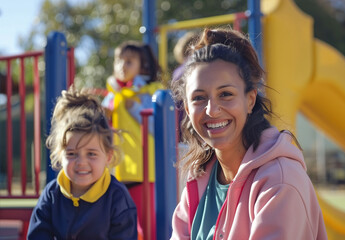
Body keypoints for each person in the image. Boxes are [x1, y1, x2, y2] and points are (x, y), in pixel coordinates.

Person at [170, 28, 327, 240]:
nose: (211, 110)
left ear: (250, 100)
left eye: (226, 94)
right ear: (187, 109)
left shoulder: (281, 180)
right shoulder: (199, 177)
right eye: (199, 98)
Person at [27, 87, 138, 240]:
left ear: (108, 156)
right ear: (60, 155)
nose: (81, 162)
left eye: (91, 154)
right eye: (72, 154)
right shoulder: (52, 194)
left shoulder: (117, 198)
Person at [102, 41, 162, 240]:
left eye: (129, 61)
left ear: (142, 66)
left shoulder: (148, 92)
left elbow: (158, 126)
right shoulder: (113, 95)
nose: (122, 65)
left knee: (148, 226)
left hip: (144, 171)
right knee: (123, 227)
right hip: (118, 170)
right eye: (119, 60)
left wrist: (134, 108)